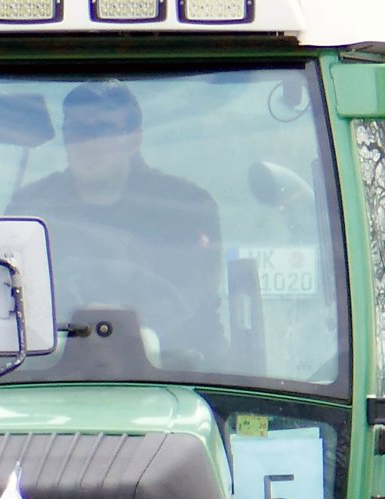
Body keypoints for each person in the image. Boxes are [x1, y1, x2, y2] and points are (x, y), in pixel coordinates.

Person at [11, 79, 225, 364]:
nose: (86, 143)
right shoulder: (30, 210)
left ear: (133, 139)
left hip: (173, 368)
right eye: (76, 130)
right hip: (48, 366)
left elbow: (195, 300)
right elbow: (9, 304)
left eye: (101, 130)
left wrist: (120, 320)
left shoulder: (183, 207)